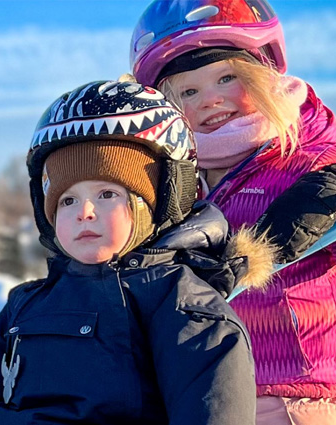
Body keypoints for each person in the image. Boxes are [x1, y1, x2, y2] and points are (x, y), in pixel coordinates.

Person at [0, 80, 275, 424]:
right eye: (67, 200)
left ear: (160, 203)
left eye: (107, 194)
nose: (83, 212)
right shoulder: (25, 306)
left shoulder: (185, 308)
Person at [131, 1, 336, 422]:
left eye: (227, 77)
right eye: (188, 91)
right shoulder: (176, 184)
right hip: (208, 397)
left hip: (292, 395)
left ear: (263, 74)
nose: (210, 99)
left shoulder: (308, 158)